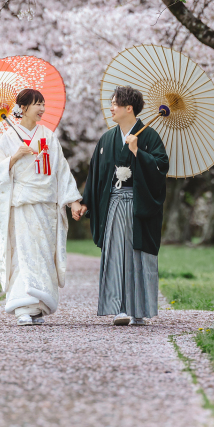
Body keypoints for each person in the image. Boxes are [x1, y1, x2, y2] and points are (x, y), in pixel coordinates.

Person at [0, 88, 83, 326]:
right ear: (23, 107)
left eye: (43, 103)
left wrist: (73, 201)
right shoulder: (9, 138)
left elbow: (61, 170)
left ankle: (38, 306)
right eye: (37, 103)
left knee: (42, 255)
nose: (41, 108)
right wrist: (15, 157)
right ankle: (22, 306)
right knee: (24, 255)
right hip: (23, 205)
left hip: (47, 206)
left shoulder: (48, 136)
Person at [76, 86, 169, 326]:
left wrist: (138, 152)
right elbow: (96, 173)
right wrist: (85, 201)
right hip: (113, 205)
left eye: (115, 103)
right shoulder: (107, 138)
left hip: (139, 206)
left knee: (138, 256)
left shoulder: (149, 137)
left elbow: (161, 168)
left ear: (129, 108)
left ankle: (139, 310)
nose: (111, 108)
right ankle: (119, 308)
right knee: (116, 255)